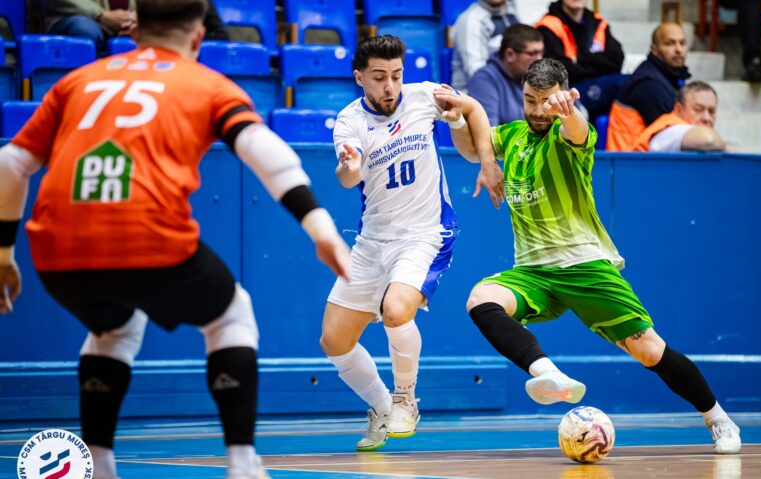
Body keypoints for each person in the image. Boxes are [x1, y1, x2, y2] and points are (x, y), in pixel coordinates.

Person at [0, 1, 350, 478]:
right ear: (199, 37)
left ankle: (99, 463)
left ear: (136, 28)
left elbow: (10, 165)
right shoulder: (205, 83)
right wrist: (320, 227)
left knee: (114, 329)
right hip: (148, 236)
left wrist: (3, 252)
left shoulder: (77, 81)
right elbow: (262, 148)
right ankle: (243, 463)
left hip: (56, 250)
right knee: (231, 315)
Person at [461, 58, 742, 455]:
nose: (538, 110)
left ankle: (718, 419)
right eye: (530, 100)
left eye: (546, 101)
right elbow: (473, 146)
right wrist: (461, 122)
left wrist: (569, 111)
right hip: (534, 272)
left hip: (585, 265)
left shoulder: (570, 135)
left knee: (649, 350)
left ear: (560, 96)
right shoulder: (514, 134)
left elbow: (576, 130)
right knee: (481, 299)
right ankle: (550, 375)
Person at [322, 35, 503, 452]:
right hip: (373, 239)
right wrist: (349, 168)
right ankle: (383, 406)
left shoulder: (423, 96)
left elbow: (473, 108)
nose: (390, 86)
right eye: (379, 77)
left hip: (425, 233)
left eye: (396, 75)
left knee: (396, 310)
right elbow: (347, 177)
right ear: (360, 78)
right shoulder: (349, 121)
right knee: (334, 340)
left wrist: (488, 163)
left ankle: (406, 397)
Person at [535, 0, 626, 120]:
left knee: (632, 83)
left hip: (598, 84)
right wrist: (601, 64)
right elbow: (563, 71)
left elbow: (617, 60)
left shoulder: (597, 21)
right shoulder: (548, 26)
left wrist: (579, 59)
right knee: (624, 83)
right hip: (567, 92)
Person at [607, 22, 691, 152]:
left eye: (682, 43)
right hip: (627, 162)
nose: (678, 49)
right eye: (669, 43)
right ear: (654, 49)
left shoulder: (668, 77)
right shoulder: (648, 83)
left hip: (643, 160)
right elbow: (674, 133)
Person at [467, 24, 544, 126]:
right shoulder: (484, 80)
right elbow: (488, 132)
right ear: (510, 55)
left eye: (541, 53)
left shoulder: (540, 76)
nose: (540, 59)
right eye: (532, 53)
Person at [634, 81, 725, 152]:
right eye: (698, 110)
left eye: (711, 111)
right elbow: (708, 140)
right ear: (679, 109)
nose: (707, 118)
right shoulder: (671, 129)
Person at [451, 0, 520, 92]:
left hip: (509, 91)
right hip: (474, 96)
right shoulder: (471, 20)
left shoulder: (511, 11)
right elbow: (478, 75)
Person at [45, 0, 137, 56]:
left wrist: (139, 18)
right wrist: (100, 15)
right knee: (84, 29)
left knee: (147, 31)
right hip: (77, 18)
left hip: (129, 23)